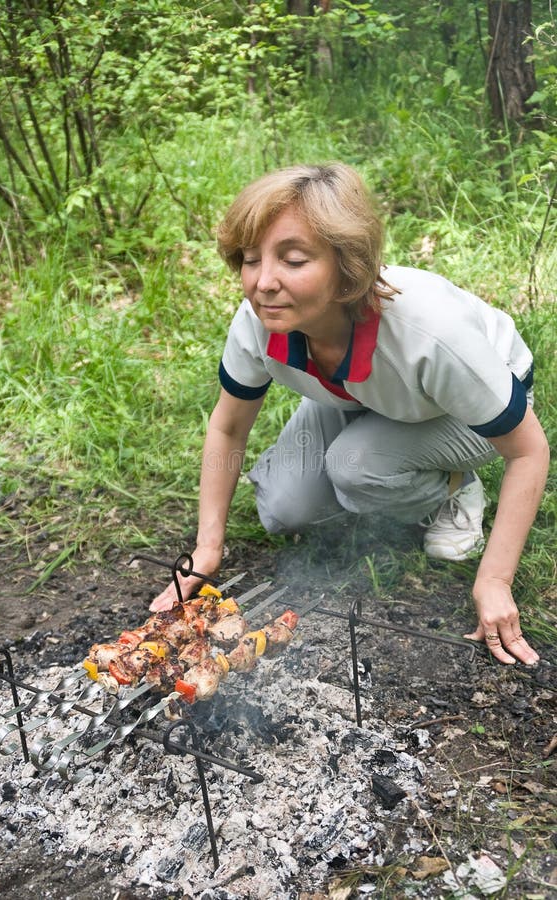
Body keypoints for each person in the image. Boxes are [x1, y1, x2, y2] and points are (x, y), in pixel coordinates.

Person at [151, 163, 548, 666]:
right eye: (251, 259)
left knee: (356, 468)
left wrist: (494, 580)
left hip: (471, 409)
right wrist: (207, 548)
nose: (263, 282)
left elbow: (530, 450)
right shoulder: (262, 321)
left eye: (293, 260)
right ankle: (386, 452)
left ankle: (455, 488)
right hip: (359, 396)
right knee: (282, 508)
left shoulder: (428, 333)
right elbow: (228, 426)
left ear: (347, 265)